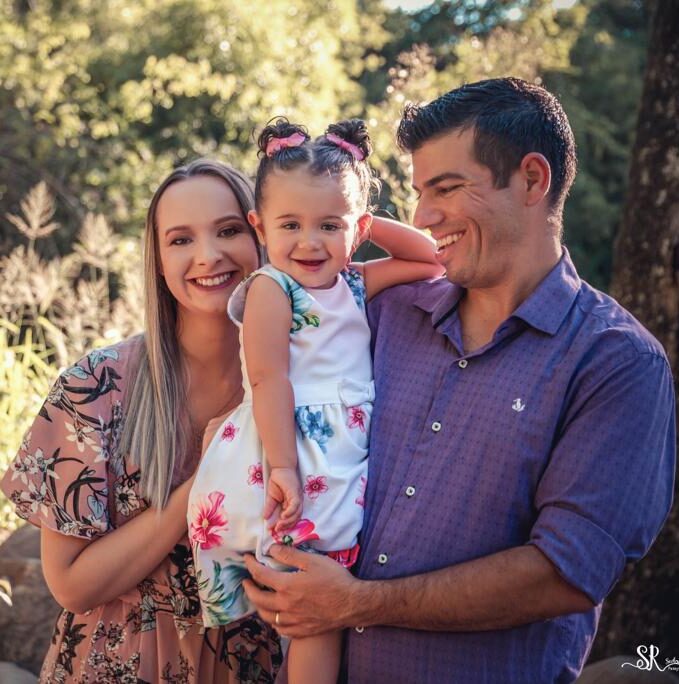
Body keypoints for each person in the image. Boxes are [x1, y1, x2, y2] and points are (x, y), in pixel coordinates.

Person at [240, 78, 676, 683]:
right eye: (420, 193)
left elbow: (566, 573)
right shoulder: (384, 312)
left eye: (446, 189)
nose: (423, 216)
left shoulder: (617, 362)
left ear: (532, 180)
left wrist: (357, 603)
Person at [0, 160, 284, 683]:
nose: (208, 255)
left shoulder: (308, 382)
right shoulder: (95, 387)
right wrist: (202, 486)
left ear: (262, 235)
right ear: (157, 261)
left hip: (254, 663)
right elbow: (71, 586)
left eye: (228, 230)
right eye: (181, 240)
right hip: (121, 663)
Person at [188, 118, 441, 684]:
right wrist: (284, 467)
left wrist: (360, 223)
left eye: (329, 225)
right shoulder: (271, 288)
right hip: (292, 453)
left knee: (320, 606)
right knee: (316, 614)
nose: (309, 242)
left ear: (358, 228)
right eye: (290, 224)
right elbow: (269, 380)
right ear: (259, 226)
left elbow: (431, 260)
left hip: (337, 456)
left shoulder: (354, 282)